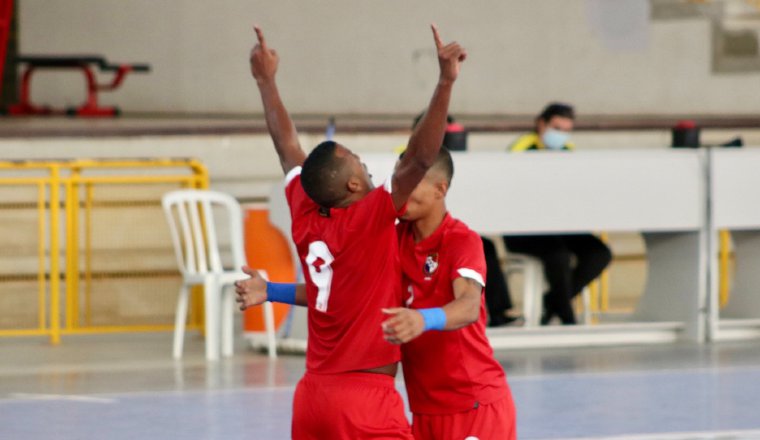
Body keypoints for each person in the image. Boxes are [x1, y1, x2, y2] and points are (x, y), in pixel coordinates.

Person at [241, 24, 466, 439]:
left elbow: (286, 145)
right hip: (365, 398)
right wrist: (445, 82)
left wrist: (266, 81)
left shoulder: (305, 212)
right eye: (359, 163)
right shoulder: (371, 214)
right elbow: (418, 157)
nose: (366, 167)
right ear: (352, 186)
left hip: (311, 396)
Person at [382, 147, 517, 440]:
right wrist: (274, 291)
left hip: (474, 408)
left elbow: (468, 305)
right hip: (424, 410)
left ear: (440, 189)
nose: (399, 190)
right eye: (396, 180)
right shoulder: (391, 241)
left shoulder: (461, 241)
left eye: (410, 182)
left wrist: (423, 319)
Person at [486, 102, 612, 325]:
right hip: (523, 230)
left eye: (566, 130)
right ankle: (567, 317)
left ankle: (552, 301)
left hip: (559, 226)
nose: (561, 135)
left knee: (599, 253)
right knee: (559, 256)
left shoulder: (568, 151)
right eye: (556, 128)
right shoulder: (521, 148)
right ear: (541, 124)